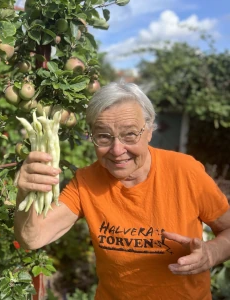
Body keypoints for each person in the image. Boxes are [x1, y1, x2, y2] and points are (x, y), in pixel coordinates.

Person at [14, 82, 230, 299]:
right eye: (104, 136)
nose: (117, 150)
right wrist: (25, 193)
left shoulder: (185, 172)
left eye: (129, 134)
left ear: (149, 130)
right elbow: (33, 238)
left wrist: (211, 253)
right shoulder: (87, 181)